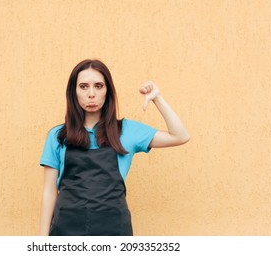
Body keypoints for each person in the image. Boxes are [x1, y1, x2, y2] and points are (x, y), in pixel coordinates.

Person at [39, 59, 190, 236]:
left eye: (98, 86)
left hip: (114, 231)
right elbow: (49, 192)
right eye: (84, 86)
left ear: (107, 90)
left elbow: (180, 136)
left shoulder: (127, 131)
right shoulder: (58, 135)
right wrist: (43, 243)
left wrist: (157, 98)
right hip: (66, 231)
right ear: (73, 92)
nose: (91, 94)